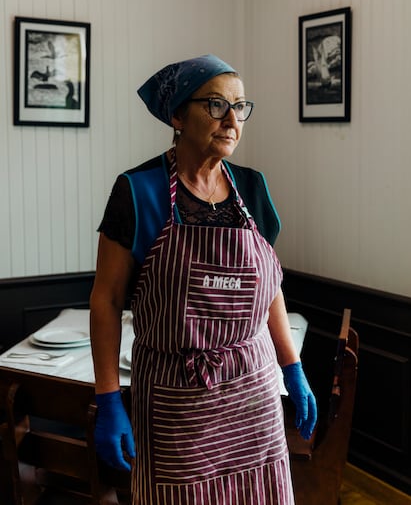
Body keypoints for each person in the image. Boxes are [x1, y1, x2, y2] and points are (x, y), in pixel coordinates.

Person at [90, 54, 317, 505]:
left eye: (240, 106)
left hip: (253, 393)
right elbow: (107, 300)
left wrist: (292, 367)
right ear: (177, 115)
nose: (232, 120)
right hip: (177, 403)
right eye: (215, 105)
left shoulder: (252, 188)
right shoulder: (138, 191)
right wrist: (109, 399)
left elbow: (268, 287)